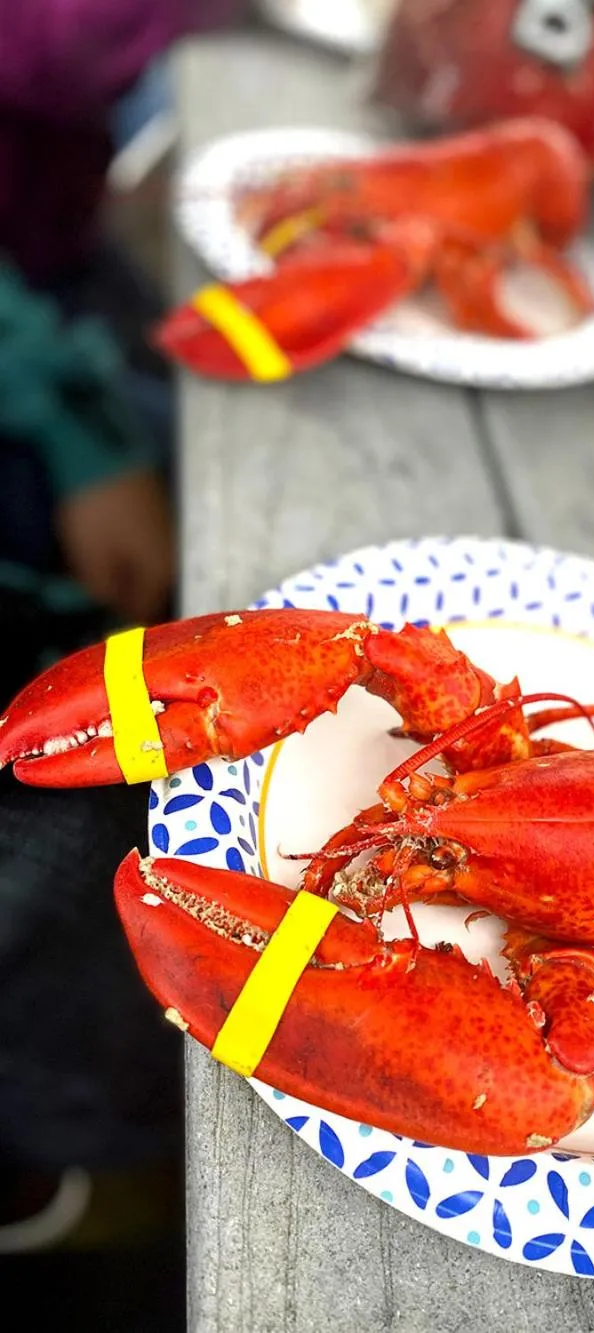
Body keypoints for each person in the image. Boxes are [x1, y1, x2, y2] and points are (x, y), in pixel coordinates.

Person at [0, 1, 238, 1273]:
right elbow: (46, 43)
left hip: (38, 268)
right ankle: (63, 1135)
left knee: (214, 416)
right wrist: (85, 438)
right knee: (78, 825)